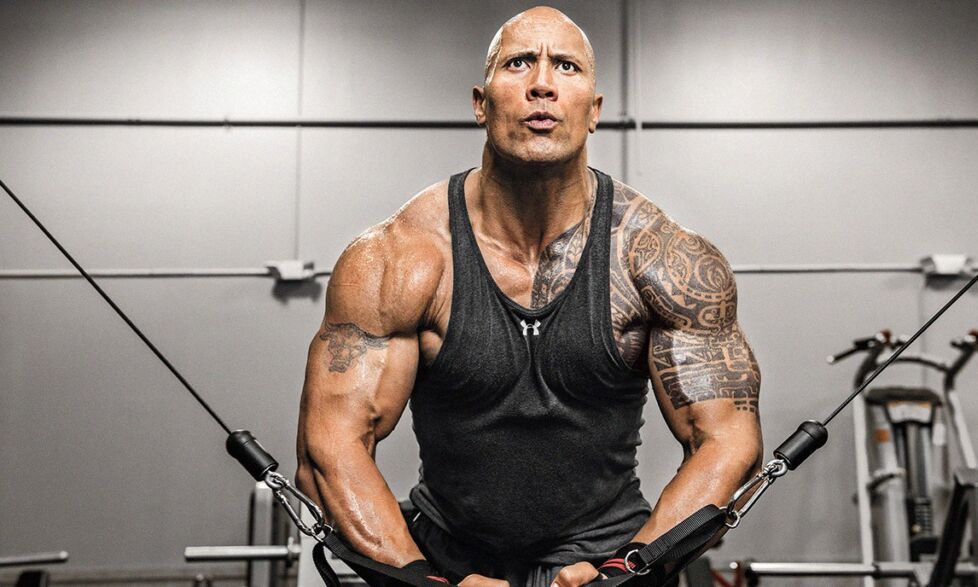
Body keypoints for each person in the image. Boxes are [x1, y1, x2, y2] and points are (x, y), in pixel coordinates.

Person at [295, 6, 762, 587]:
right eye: (519, 63)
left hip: (612, 558)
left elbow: (727, 445)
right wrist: (421, 581)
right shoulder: (398, 259)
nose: (542, 84)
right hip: (446, 562)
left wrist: (627, 570)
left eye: (566, 66)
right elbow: (330, 449)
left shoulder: (663, 260)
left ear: (594, 111)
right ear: (480, 103)